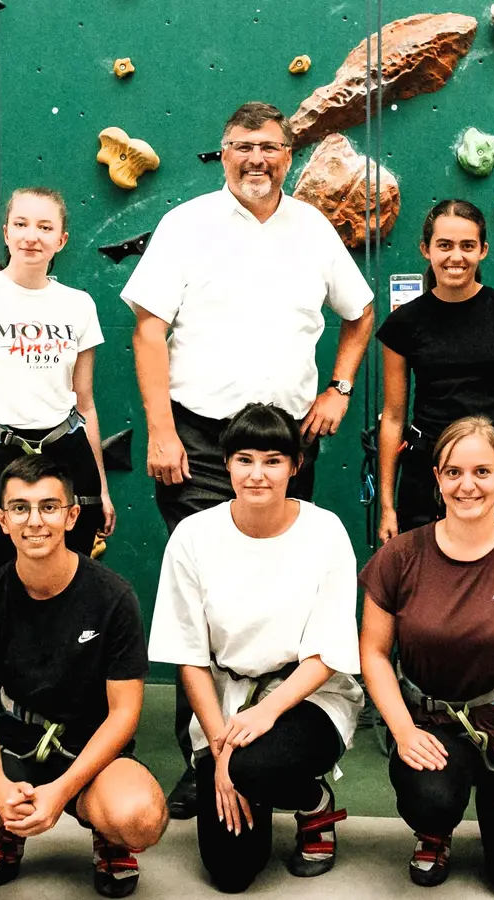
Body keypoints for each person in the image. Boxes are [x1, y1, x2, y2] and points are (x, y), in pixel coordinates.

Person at [123, 100, 374, 818]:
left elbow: (359, 318)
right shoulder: (185, 226)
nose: (256, 159)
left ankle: (278, 741)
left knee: (286, 594)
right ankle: (203, 759)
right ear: (222, 152)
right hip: (201, 442)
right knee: (201, 605)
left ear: (288, 156)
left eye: (269, 146)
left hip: (291, 438)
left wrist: (339, 388)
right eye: (242, 146)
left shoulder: (313, 230)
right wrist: (162, 431)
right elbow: (148, 330)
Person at [0, 454, 168, 898]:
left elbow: (124, 713)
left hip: (87, 752)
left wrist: (60, 791)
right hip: (13, 747)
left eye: (49, 507)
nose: (35, 521)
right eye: (20, 508)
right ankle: (6, 827)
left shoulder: (113, 597)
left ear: (72, 516)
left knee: (140, 820)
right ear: (3, 520)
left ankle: (106, 834)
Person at [147, 403, 363, 893]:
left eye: (272, 460)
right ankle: (252, 782)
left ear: (295, 466)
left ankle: (311, 801)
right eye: (244, 459)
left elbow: (328, 654)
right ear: (226, 464)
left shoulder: (325, 531)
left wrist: (264, 720)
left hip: (306, 697)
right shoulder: (193, 535)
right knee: (231, 872)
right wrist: (220, 750)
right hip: (226, 703)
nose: (258, 474)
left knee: (253, 765)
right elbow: (190, 657)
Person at [359, 417, 494, 898]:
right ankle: (435, 830)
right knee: (432, 798)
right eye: (453, 472)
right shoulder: (400, 556)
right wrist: (403, 730)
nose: (467, 485)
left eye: (481, 471)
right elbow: (372, 652)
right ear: (436, 478)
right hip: (429, 725)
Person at [0, 186, 115, 579]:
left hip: (67, 457)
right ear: (6, 232)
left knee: (70, 591)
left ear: (61, 240)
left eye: (45, 227)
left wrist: (101, 487)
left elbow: (84, 404)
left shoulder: (79, 304)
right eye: (21, 224)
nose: (31, 236)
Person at [375, 200, 494, 544]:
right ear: (426, 249)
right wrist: (388, 507)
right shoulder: (403, 323)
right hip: (425, 477)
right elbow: (393, 417)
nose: (456, 256)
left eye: (467, 246)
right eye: (445, 245)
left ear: (483, 250)